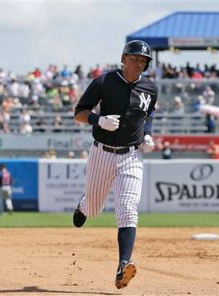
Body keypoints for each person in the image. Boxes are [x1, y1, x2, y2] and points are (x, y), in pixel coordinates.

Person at [72, 40, 157, 289]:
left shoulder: (150, 88)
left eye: (143, 61)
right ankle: (84, 204)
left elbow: (148, 114)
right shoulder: (104, 81)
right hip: (102, 153)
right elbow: (79, 112)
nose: (139, 63)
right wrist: (98, 120)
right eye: (135, 59)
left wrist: (148, 134)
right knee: (95, 209)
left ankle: (123, 266)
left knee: (128, 209)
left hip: (131, 156)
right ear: (123, 58)